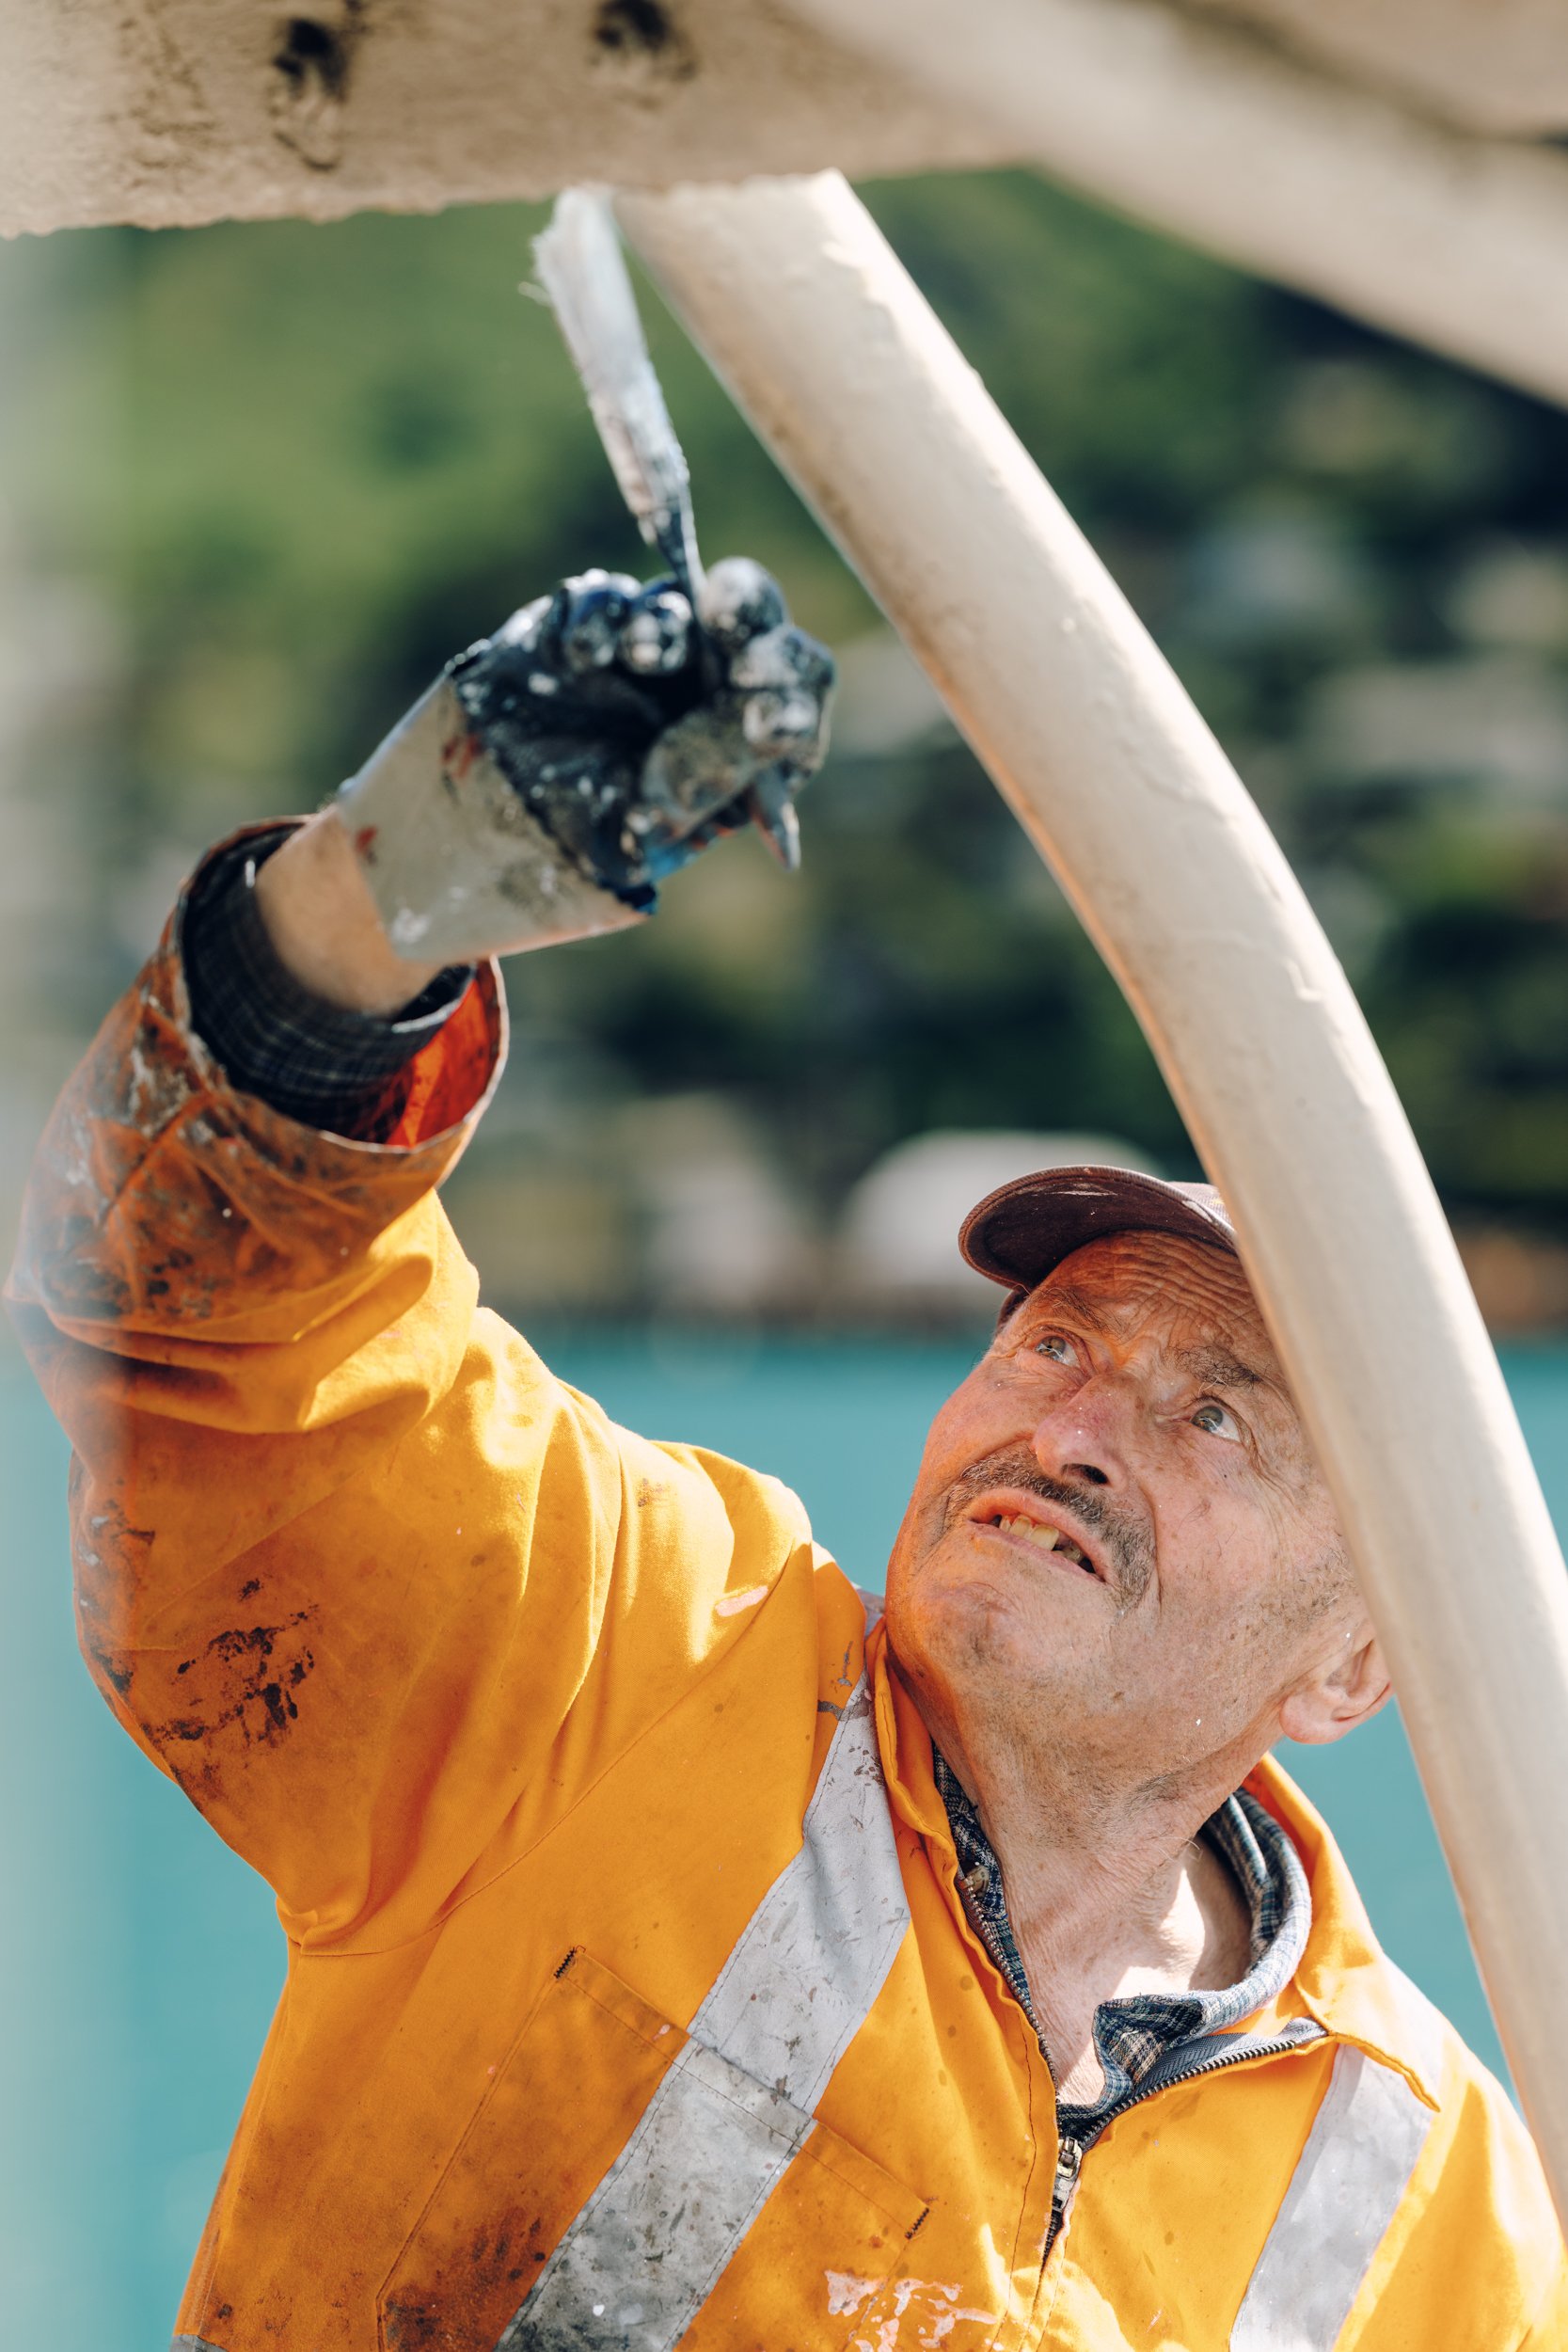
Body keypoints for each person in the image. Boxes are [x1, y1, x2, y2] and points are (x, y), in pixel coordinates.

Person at [10, 562, 1563, 2352]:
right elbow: (209, 1329)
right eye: (1055, 1342)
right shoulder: (606, 1666)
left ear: (1361, 1656)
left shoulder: (1435, 2208)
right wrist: (395, 892)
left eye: (1213, 1415)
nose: (1071, 1432)